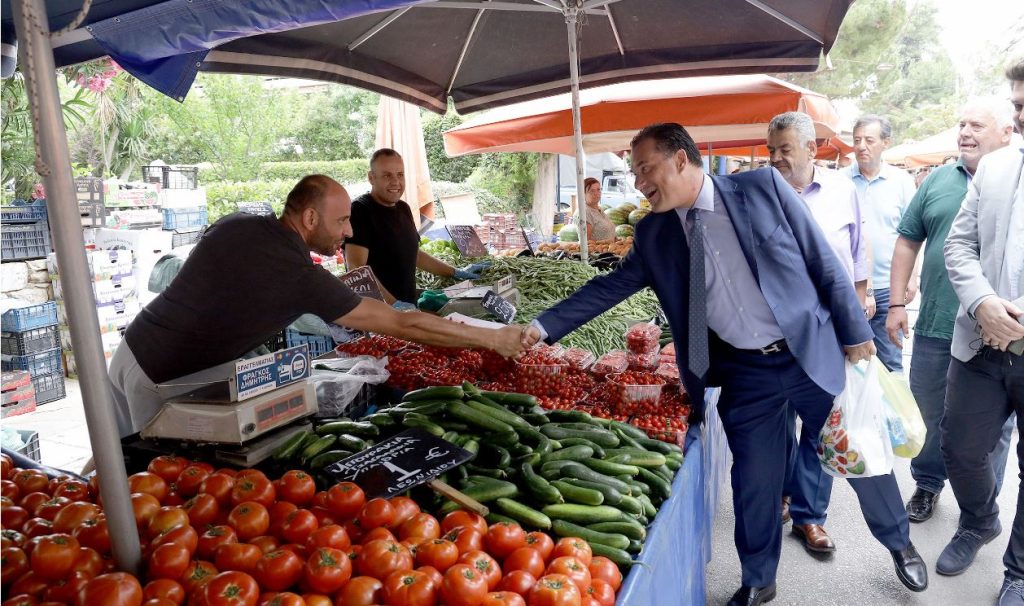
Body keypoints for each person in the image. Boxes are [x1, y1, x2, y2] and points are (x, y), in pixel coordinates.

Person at [524, 123, 927, 605]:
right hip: (744, 371)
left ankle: (898, 542)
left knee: (860, 448)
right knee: (753, 480)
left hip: (807, 351)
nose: (638, 183)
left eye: (645, 168)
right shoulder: (654, 232)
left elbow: (822, 261)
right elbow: (608, 287)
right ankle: (759, 578)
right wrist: (541, 327)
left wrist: (856, 334)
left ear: (679, 160)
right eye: (633, 173)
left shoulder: (762, 188)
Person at [110, 175, 527, 438]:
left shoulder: (241, 223)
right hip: (160, 376)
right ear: (310, 219)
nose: (347, 233)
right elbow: (400, 324)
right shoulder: (296, 274)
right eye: (342, 221)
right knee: (142, 478)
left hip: (132, 349)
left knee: (110, 463)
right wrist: (489, 337)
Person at [886, 97, 1017, 524]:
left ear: (1006, 131)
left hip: (1002, 334)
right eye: (961, 123)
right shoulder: (939, 179)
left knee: (991, 432)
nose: (964, 132)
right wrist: (897, 303)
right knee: (928, 413)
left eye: (976, 125)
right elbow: (908, 240)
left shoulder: (1014, 180)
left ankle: (978, 509)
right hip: (937, 324)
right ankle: (927, 484)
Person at [940, 60, 1024, 606]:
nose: (1021, 117)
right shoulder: (994, 168)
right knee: (959, 449)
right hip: (980, 343)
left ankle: (1018, 572)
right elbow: (957, 245)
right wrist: (984, 301)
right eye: (1018, 106)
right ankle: (978, 520)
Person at [766, 111, 870, 554]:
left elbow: (857, 256)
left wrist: (860, 316)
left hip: (828, 329)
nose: (776, 159)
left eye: (785, 150)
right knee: (777, 421)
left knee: (820, 424)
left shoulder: (843, 192)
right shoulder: (760, 195)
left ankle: (809, 517)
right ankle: (783, 495)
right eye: (771, 151)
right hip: (774, 332)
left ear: (811, 150)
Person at [344, 149, 486, 306]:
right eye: (387, 175)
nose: (395, 182)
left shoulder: (403, 208)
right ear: (371, 177)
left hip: (407, 307)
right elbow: (356, 268)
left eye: (400, 174)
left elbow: (415, 255)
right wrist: (393, 305)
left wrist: (455, 272)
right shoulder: (360, 210)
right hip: (379, 314)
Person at [844, 115, 918, 374]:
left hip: (889, 286)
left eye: (869, 140)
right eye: (856, 140)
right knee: (851, 362)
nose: (861, 146)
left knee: (890, 362)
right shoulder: (840, 182)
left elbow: (914, 234)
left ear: (885, 143)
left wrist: (911, 278)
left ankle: (893, 415)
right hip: (850, 287)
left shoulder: (902, 182)